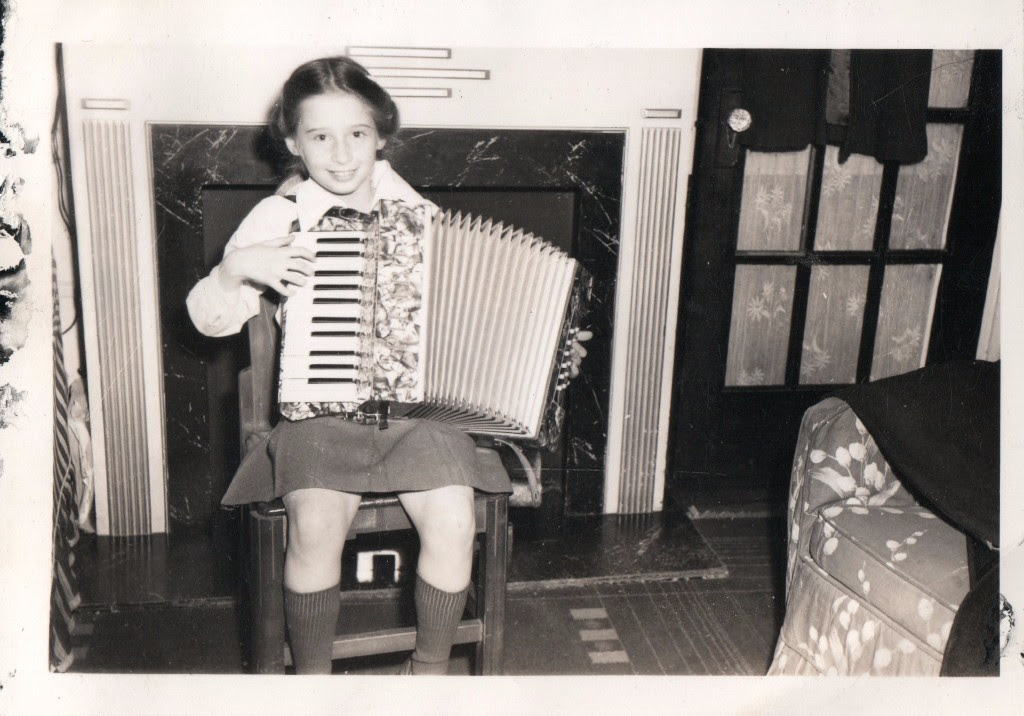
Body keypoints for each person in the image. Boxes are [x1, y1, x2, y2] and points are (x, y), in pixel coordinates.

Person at [187, 56, 589, 675]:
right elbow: (207, 318)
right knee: (316, 525)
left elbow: (473, 326)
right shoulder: (277, 219)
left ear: (381, 137)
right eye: (320, 137)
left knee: (455, 520)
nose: (343, 154)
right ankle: (314, 684)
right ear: (293, 143)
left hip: (416, 418)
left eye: (358, 135)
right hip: (319, 419)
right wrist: (234, 270)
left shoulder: (422, 218)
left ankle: (427, 673)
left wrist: (549, 350)